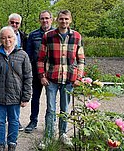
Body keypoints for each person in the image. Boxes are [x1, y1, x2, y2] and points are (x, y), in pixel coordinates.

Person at [37, 10, 85, 149]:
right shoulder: (48, 36)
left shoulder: (76, 36)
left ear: (70, 20)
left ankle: (63, 134)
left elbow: (81, 59)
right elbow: (41, 58)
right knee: (51, 109)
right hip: (52, 79)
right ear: (57, 20)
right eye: (61, 19)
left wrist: (79, 78)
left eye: (66, 19)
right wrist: (42, 76)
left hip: (69, 79)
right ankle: (48, 136)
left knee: (65, 109)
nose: (63, 21)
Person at [0, 26, 32, 151]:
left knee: (14, 120)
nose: (7, 40)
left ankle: (12, 143)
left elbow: (28, 77)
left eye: (9, 37)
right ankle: (0, 143)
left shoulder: (22, 55)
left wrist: (26, 96)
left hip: (15, 95)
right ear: (0, 39)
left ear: (14, 38)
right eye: (4, 37)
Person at [24, 10, 54, 133]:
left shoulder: (56, 34)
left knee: (51, 100)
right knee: (35, 98)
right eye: (42, 18)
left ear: (52, 19)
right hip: (36, 73)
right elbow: (29, 54)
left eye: (47, 18)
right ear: (39, 20)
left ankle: (50, 124)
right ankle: (33, 120)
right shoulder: (33, 35)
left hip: (52, 73)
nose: (45, 20)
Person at [8, 13, 28, 131]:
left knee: (16, 95)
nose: (14, 25)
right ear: (8, 22)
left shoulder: (24, 36)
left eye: (17, 23)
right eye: (12, 22)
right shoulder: (3, 34)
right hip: (4, 67)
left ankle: (16, 120)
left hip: (19, 69)